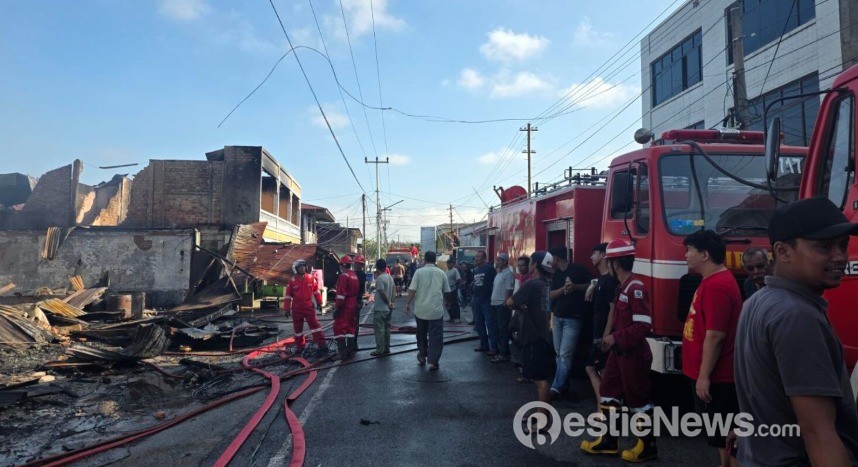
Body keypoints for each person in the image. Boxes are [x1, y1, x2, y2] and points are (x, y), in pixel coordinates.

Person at [735, 197, 858, 466]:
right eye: (824, 246)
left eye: (843, 245)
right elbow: (819, 433)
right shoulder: (796, 315)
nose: (839, 256)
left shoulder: (759, 301)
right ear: (783, 251)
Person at [581, 239, 657, 462]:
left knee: (639, 399)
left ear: (615, 264)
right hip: (619, 354)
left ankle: (647, 446)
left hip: (633, 355)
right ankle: (608, 441)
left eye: (610, 262)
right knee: (608, 391)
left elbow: (643, 326)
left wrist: (615, 337)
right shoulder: (622, 287)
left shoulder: (635, 289)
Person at [682, 230, 742, 467]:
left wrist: (704, 377)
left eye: (690, 250)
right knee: (720, 438)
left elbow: (716, 336)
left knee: (727, 438)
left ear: (705, 254)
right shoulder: (711, 281)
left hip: (718, 379)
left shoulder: (717, 285)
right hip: (712, 377)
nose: (686, 255)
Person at [506, 251, 556, 432]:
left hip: (533, 336)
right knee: (538, 378)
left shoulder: (531, 285)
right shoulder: (546, 284)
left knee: (540, 380)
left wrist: (520, 306)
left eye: (532, 262)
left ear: (535, 265)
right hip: (543, 334)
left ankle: (544, 422)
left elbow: (510, 302)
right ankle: (541, 413)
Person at [547, 246, 592, 399]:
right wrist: (563, 289)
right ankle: (563, 385)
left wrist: (575, 287)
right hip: (557, 317)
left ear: (557, 258)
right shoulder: (556, 274)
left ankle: (556, 387)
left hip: (573, 318)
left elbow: (590, 285)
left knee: (565, 354)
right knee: (559, 354)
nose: (549, 261)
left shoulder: (578, 269)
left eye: (551, 258)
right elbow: (551, 295)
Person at [583, 243, 617, 411]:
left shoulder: (610, 281)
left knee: (600, 371)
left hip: (603, 335)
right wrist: (593, 284)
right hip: (598, 333)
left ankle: (604, 408)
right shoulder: (602, 280)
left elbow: (613, 309)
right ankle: (603, 407)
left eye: (594, 253)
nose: (591, 257)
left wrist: (606, 334)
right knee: (594, 368)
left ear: (604, 255)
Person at [405, 251, 451, 370]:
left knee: (421, 334)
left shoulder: (419, 272)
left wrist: (408, 303)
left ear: (425, 260)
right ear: (434, 260)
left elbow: (412, 290)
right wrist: (448, 303)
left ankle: (422, 354)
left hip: (420, 311)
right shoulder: (441, 273)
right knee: (436, 337)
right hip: (436, 311)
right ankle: (433, 362)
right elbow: (447, 291)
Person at [284, 259, 328, 353]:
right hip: (297, 308)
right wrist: (287, 309)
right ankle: (300, 347)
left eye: (304, 266)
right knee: (298, 329)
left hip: (309, 307)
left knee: (315, 327)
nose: (303, 268)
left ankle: (322, 345)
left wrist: (319, 303)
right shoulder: (292, 281)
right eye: (300, 267)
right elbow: (288, 296)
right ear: (296, 269)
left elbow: (316, 292)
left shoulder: (311, 278)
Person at [333, 255, 360, 361]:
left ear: (342, 265)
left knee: (339, 328)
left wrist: (338, 308)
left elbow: (340, 295)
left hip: (345, 305)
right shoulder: (354, 275)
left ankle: (342, 354)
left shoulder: (344, 276)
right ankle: (350, 352)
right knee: (350, 328)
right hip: (353, 304)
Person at [489, 253, 515, 363]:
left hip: (501, 305)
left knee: (503, 329)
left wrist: (505, 301)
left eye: (499, 260)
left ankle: (504, 354)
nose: (497, 262)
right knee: (497, 329)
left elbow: (509, 288)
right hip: (494, 304)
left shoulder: (508, 273)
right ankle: (502, 351)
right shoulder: (498, 273)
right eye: (497, 259)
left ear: (505, 262)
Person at [470, 251, 497, 354]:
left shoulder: (489, 269)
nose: (476, 258)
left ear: (484, 259)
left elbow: (494, 283)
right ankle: (484, 345)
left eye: (479, 257)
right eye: (476, 256)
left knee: (490, 323)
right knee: (478, 323)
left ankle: (493, 347)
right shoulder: (476, 270)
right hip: (476, 300)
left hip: (486, 300)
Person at [371, 259, 394, 356]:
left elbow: (382, 292)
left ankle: (379, 350)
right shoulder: (389, 277)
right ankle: (386, 348)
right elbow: (394, 290)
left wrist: (388, 302)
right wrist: (392, 302)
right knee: (387, 329)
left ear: (377, 267)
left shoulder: (380, 278)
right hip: (388, 309)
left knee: (379, 330)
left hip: (380, 309)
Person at [445, 257, 462, 323]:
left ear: (453, 264)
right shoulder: (446, 271)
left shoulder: (455, 270)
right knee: (448, 304)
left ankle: (457, 318)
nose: (448, 264)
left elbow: (459, 279)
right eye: (447, 263)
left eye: (450, 263)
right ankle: (451, 317)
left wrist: (455, 285)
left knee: (455, 304)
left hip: (453, 290)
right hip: (446, 291)